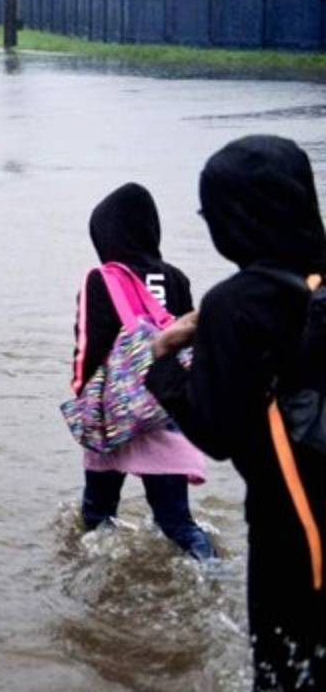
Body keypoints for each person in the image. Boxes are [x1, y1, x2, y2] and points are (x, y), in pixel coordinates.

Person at [145, 136, 326, 689]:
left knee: (283, 671)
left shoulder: (236, 303)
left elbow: (215, 432)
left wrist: (164, 358)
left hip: (291, 528)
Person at [70, 183, 215, 559]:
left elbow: (88, 344)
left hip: (114, 413)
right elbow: (190, 344)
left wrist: (82, 395)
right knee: (177, 524)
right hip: (165, 409)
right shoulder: (176, 277)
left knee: (97, 516)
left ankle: (91, 577)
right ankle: (212, 570)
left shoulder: (99, 278)